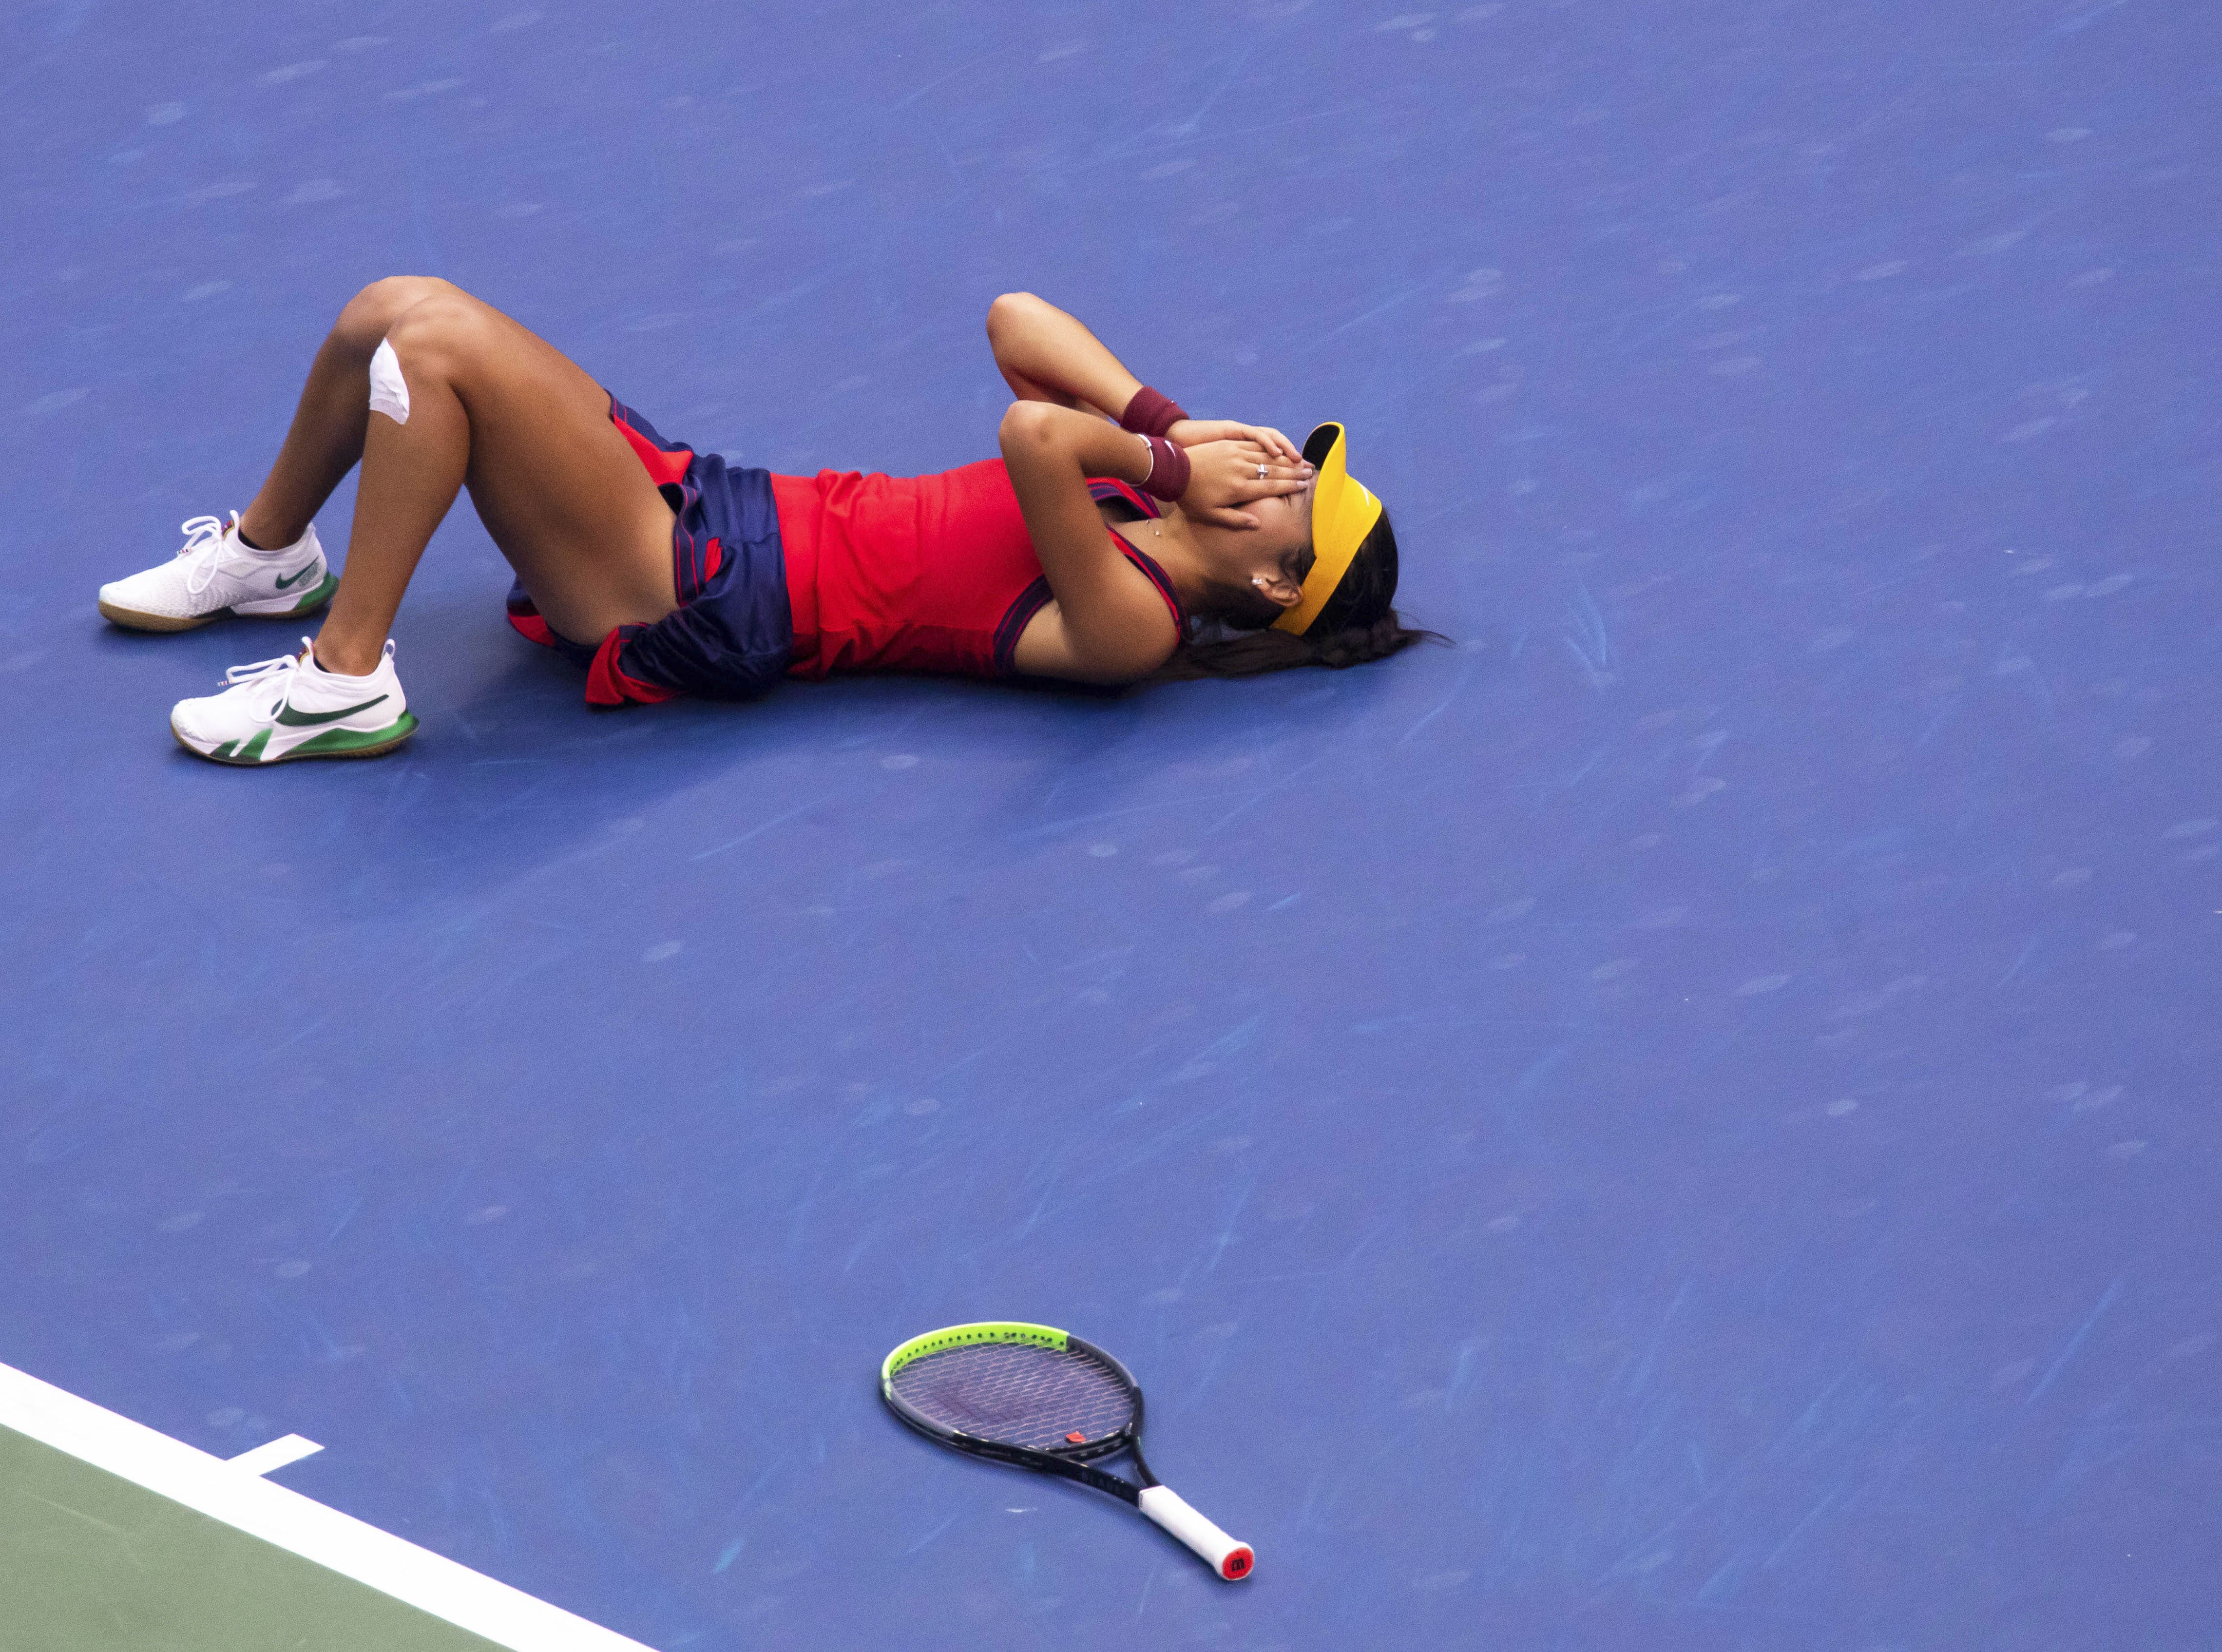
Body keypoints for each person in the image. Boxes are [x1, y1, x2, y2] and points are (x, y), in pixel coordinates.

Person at [98, 280, 1434, 765]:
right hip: (714, 503)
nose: (1281, 473)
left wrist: (1159, 455)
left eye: (1299, 506)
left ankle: (346, 683)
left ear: (1270, 591)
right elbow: (1013, 317)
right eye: (1298, 466)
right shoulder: (1153, 477)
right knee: (387, 308)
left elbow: (1033, 436)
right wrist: (1169, 417)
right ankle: (275, 558)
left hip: (702, 600)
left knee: (435, 351)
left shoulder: (1134, 625)